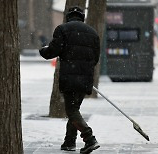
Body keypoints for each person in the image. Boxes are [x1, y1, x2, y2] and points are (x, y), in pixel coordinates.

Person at [39, 6, 100, 154]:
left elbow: (53, 50)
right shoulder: (92, 33)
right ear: (81, 17)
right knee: (74, 109)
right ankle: (69, 142)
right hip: (85, 79)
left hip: (70, 78)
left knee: (72, 110)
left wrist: (42, 50)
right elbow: (95, 58)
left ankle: (89, 138)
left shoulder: (62, 29)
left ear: (69, 16)